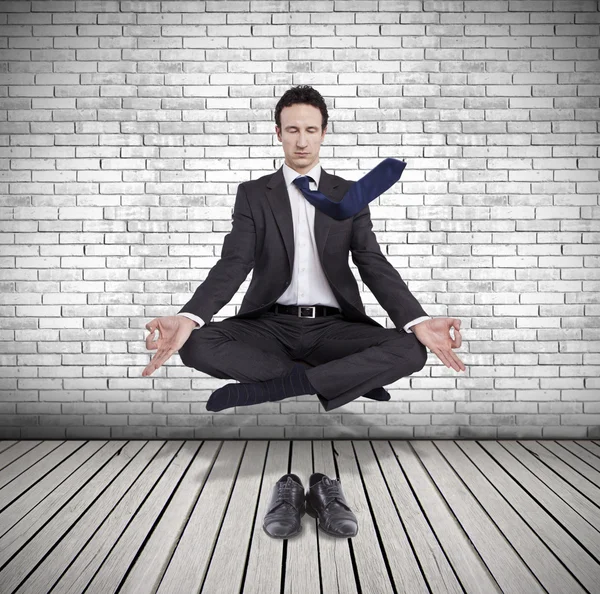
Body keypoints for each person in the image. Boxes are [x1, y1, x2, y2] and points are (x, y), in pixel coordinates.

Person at [142, 85, 465, 413]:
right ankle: (342, 381)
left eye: (311, 130)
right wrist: (189, 316)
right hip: (269, 326)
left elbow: (371, 262)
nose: (301, 141)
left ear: (324, 133)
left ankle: (278, 387)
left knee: (411, 350)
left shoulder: (349, 194)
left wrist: (418, 319)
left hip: (334, 329)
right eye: (293, 130)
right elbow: (235, 262)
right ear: (278, 132)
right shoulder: (254, 194)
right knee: (194, 344)